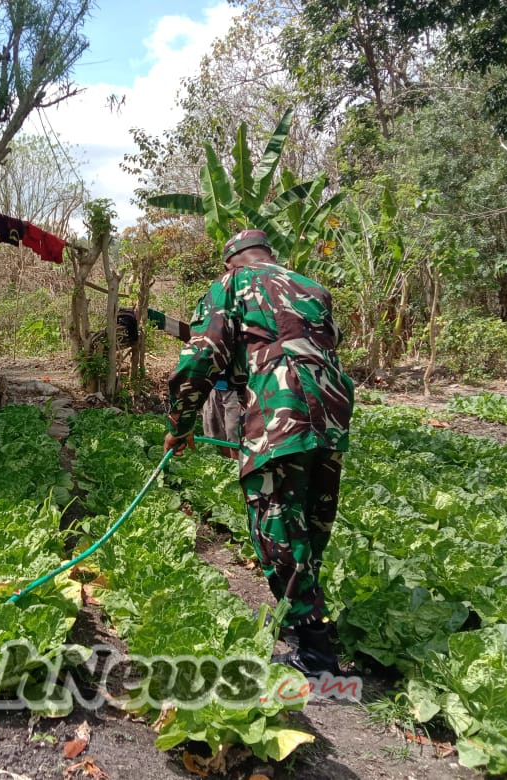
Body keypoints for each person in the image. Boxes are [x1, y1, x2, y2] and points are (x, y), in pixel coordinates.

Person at [162, 229, 354, 677]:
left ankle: (316, 652)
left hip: (281, 412)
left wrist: (180, 424)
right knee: (310, 516)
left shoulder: (232, 285)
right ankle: (303, 614)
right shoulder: (313, 288)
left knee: (276, 522)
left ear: (230, 261)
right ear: (269, 255)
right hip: (330, 411)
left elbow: (199, 357)